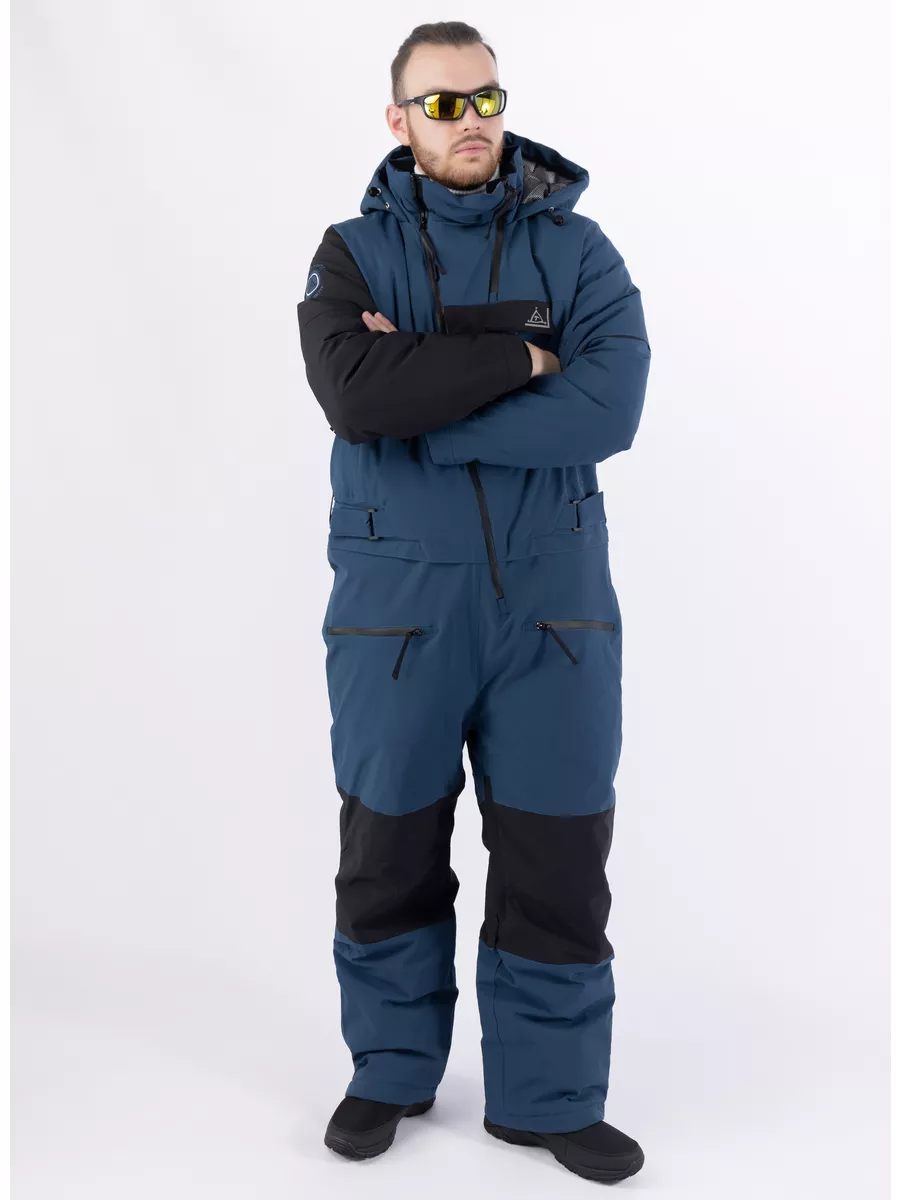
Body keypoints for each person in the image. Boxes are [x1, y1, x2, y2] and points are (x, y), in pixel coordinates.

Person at [296, 20, 651, 1185]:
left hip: (556, 614)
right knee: (388, 849)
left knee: (558, 855)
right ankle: (390, 1071)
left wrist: (431, 402)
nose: (473, 121)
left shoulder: (580, 253)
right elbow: (356, 397)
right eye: (444, 103)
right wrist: (523, 360)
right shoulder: (352, 256)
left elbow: (609, 411)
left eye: (486, 98)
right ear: (399, 120)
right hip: (396, 612)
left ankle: (550, 1098)